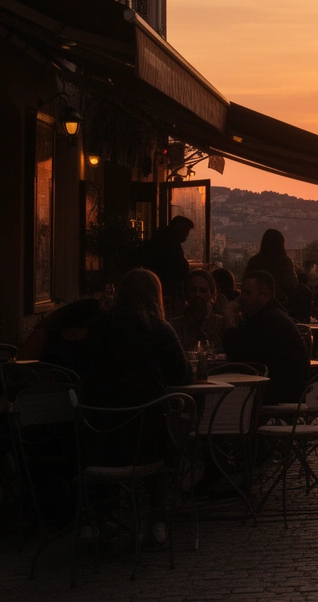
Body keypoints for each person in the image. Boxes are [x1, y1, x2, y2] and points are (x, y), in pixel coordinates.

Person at [77, 268, 185, 545]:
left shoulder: (99, 325)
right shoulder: (160, 329)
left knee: (115, 427)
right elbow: (180, 376)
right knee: (158, 428)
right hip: (146, 441)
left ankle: (96, 519)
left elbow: (84, 368)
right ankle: (158, 521)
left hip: (99, 438)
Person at [224, 271, 309, 404]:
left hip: (282, 392)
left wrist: (229, 320)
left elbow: (239, 356)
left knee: (224, 398)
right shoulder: (269, 315)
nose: (241, 298)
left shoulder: (268, 320)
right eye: (241, 292)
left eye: (247, 293)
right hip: (286, 387)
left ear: (265, 296)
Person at [138, 215, 194, 307]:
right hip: (169, 292)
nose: (187, 235)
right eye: (186, 231)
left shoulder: (161, 240)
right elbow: (179, 270)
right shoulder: (171, 245)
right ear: (179, 229)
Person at [169, 269, 228, 354]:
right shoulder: (175, 325)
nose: (197, 294)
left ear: (211, 293)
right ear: (185, 292)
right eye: (193, 290)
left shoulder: (221, 324)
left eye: (203, 290)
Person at [244, 229, 298, 303]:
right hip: (279, 305)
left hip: (254, 305)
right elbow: (291, 286)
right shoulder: (284, 262)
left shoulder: (253, 261)